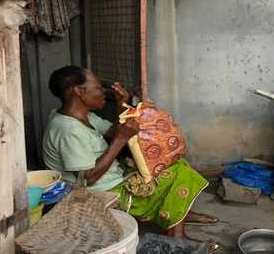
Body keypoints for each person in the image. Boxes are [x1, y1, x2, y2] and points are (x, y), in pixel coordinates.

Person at [42, 66, 218, 247]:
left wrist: (121, 105)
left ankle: (178, 212)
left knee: (175, 162)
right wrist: (120, 139)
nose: (104, 93)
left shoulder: (81, 117)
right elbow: (89, 178)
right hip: (98, 193)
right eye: (98, 87)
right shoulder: (68, 129)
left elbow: (113, 131)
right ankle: (176, 236)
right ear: (79, 91)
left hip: (112, 177)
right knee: (180, 174)